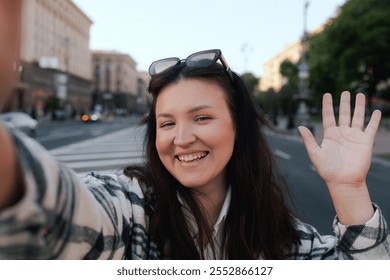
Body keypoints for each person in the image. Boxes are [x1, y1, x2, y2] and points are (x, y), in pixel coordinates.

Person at [0, 4, 388, 257]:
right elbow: (57, 215)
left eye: (202, 118)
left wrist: (349, 189)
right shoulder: (129, 210)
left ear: (240, 126)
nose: (181, 138)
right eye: (166, 123)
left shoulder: (285, 240)